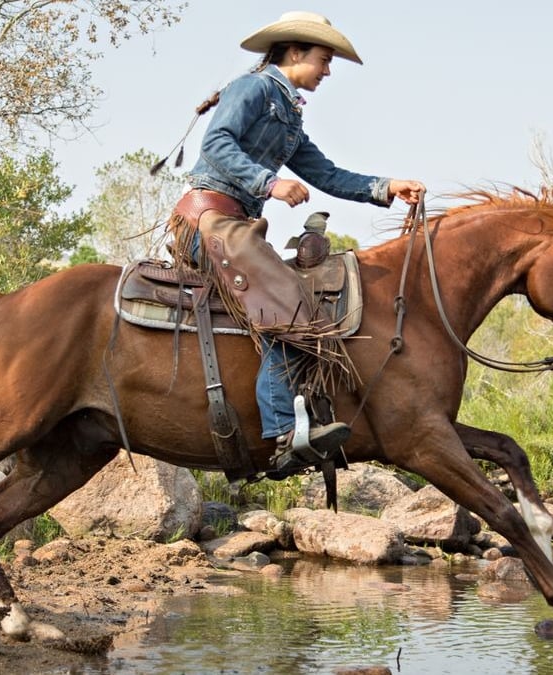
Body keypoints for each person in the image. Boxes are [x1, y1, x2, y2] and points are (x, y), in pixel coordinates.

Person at [175, 11, 425, 473]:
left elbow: (326, 174)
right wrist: (269, 183)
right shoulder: (252, 89)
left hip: (237, 227)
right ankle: (284, 432)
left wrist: (386, 187)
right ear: (295, 52)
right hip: (209, 221)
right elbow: (217, 144)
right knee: (290, 306)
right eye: (324, 61)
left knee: (297, 299)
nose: (327, 72)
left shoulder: (287, 114)